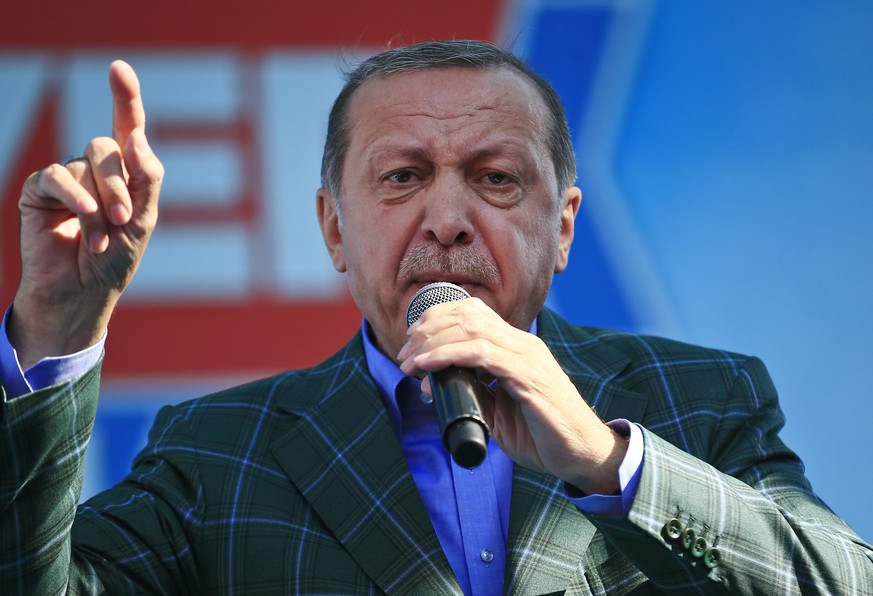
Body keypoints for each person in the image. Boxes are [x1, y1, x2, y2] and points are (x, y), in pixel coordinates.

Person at [1, 40, 870, 595]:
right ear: (334, 228)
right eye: (402, 177)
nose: (447, 218)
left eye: (495, 178)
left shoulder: (702, 400)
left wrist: (609, 463)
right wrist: (57, 324)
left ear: (561, 227)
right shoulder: (215, 452)